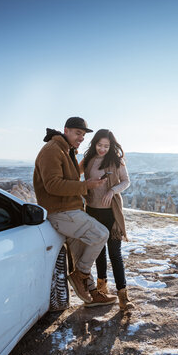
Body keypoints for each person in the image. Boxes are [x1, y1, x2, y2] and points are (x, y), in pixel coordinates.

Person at [33, 117, 117, 307]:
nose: (82, 138)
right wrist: (86, 186)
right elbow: (53, 185)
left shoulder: (66, 150)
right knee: (101, 234)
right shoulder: (52, 150)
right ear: (66, 130)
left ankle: (92, 292)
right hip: (61, 211)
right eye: (78, 133)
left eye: (84, 134)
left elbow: (69, 177)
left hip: (70, 210)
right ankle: (79, 276)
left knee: (81, 255)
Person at [80, 129, 134, 310]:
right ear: (94, 143)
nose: (102, 149)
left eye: (106, 146)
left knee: (115, 254)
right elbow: (76, 175)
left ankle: (123, 295)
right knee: (98, 253)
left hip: (112, 212)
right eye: (99, 145)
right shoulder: (88, 160)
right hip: (92, 211)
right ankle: (101, 289)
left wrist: (112, 190)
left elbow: (126, 181)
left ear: (111, 146)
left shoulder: (116, 161)